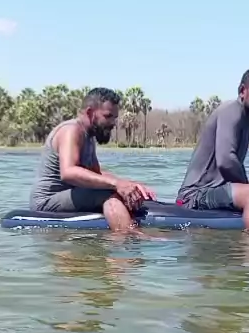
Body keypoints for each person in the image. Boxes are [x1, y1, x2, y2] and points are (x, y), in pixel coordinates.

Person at [29, 87, 156, 231]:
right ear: (90, 113)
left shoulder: (89, 136)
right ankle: (128, 237)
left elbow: (96, 173)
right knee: (107, 193)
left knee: (113, 189)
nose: (113, 123)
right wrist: (116, 184)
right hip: (47, 201)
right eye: (108, 116)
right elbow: (68, 172)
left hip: (73, 195)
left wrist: (129, 185)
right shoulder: (71, 130)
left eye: (115, 118)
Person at [176, 68, 249, 235]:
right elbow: (226, 161)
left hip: (214, 191)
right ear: (242, 91)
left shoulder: (244, 120)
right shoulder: (232, 110)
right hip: (194, 196)